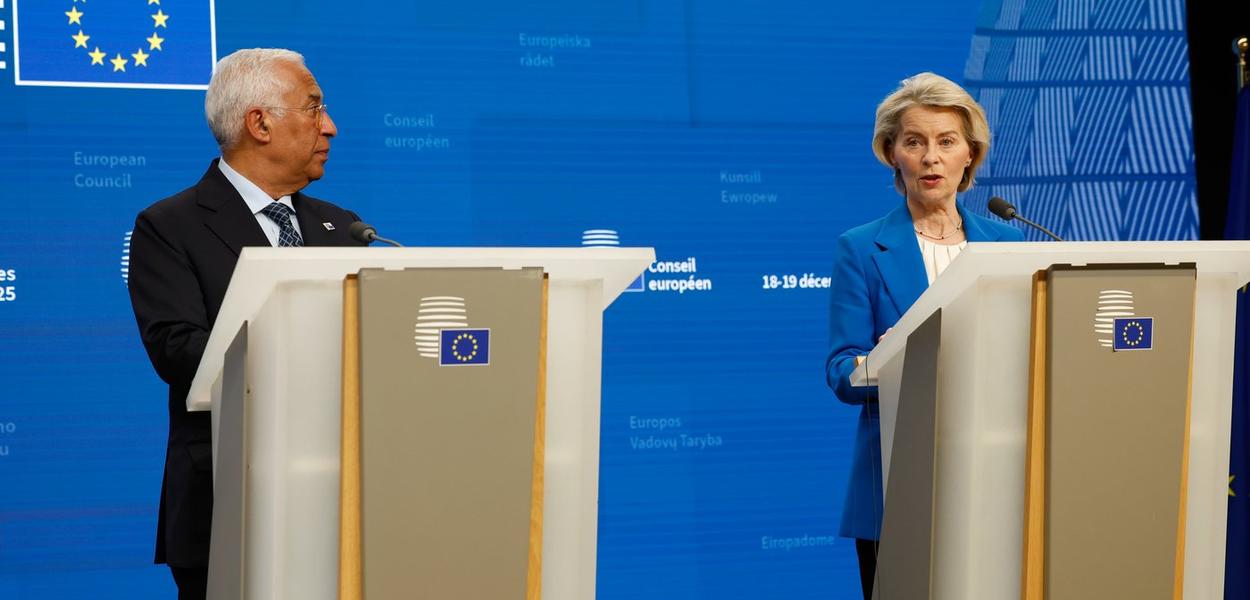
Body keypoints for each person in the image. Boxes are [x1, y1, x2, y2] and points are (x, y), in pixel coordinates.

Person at [127, 48, 367, 599]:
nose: (329, 126)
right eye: (313, 107)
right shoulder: (170, 226)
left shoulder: (345, 227)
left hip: (343, 499)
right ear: (259, 123)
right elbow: (178, 349)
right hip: (227, 499)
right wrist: (305, 360)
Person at [824, 72, 1023, 599]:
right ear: (893, 155)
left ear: (970, 155)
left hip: (996, 476)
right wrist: (890, 355)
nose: (931, 157)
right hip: (896, 481)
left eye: (946, 141)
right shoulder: (862, 248)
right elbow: (842, 371)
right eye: (914, 142)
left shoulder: (1008, 242)